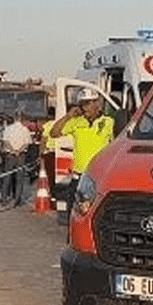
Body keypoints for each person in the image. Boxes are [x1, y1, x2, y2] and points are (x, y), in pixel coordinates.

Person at [50, 89, 114, 218]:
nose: (85, 108)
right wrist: (68, 116)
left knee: (97, 215)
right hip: (78, 178)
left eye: (88, 104)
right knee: (74, 216)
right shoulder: (76, 122)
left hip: (98, 177)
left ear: (97, 104)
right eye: (82, 104)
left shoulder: (108, 122)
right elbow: (54, 133)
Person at [0, 115, 32, 207]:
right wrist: (19, 150)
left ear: (14, 118)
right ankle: (17, 199)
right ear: (22, 119)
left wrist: (13, 150)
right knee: (19, 178)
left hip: (10, 155)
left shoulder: (8, 129)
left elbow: (6, 142)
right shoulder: (25, 130)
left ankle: (4, 198)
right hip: (21, 156)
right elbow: (27, 143)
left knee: (7, 177)